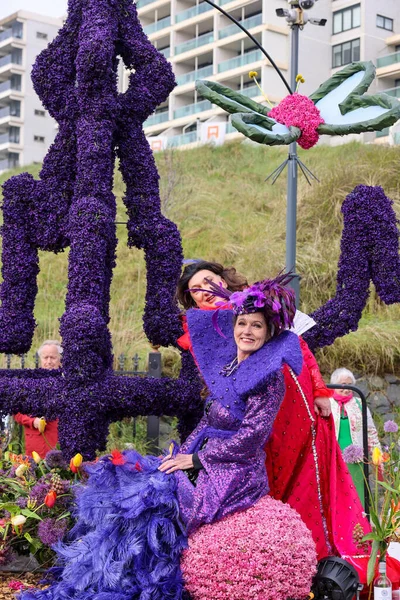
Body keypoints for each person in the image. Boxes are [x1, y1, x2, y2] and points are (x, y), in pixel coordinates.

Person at [20, 275, 308, 600]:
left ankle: (143, 584)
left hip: (233, 473)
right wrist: (180, 457)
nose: (247, 331)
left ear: (268, 332)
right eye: (242, 323)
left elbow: (252, 436)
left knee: (152, 503)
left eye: (256, 326)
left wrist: (195, 460)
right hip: (202, 461)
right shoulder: (228, 368)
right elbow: (206, 424)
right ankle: (99, 578)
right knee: (136, 486)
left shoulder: (268, 379)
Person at [177, 260, 371, 563]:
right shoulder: (203, 331)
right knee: (271, 468)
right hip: (253, 411)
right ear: (192, 299)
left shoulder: (255, 305)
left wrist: (320, 390)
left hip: (292, 398)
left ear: (223, 281)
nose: (205, 291)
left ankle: (310, 547)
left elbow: (298, 345)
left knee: (304, 464)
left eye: (208, 280)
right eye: (196, 290)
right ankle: (279, 549)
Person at [330, 367, 381, 506]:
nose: (346, 389)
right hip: (333, 458)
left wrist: (377, 455)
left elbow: (370, 431)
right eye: (342, 385)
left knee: (357, 493)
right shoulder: (327, 403)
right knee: (336, 493)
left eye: (349, 385)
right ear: (334, 384)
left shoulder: (359, 403)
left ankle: (359, 526)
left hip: (356, 460)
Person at [13, 340, 61, 458]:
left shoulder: (68, 383)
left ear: (60, 359)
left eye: (53, 357)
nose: (49, 362)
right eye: (45, 357)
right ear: (41, 359)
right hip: (35, 450)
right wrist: (33, 421)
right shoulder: (29, 384)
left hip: (59, 449)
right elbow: (17, 413)